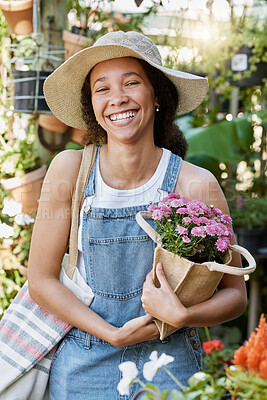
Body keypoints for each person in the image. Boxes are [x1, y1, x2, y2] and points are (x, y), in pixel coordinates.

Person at [28, 30, 247, 399]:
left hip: (171, 363)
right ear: (91, 105)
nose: (118, 99)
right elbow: (41, 281)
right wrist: (110, 334)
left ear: (157, 93)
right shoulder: (68, 171)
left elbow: (235, 295)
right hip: (84, 366)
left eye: (132, 83)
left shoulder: (196, 184)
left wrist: (185, 317)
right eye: (102, 89)